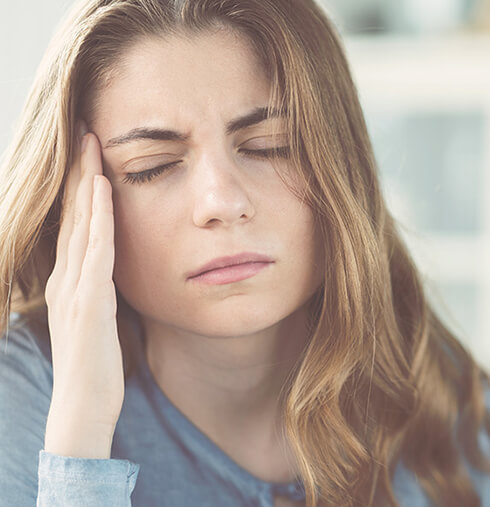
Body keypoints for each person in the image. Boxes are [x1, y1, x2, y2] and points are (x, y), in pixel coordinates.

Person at [0, 0, 489, 506]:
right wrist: (80, 442)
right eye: (153, 165)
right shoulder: (23, 394)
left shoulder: (452, 411)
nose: (222, 203)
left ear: (344, 169)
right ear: (73, 202)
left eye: (269, 146)